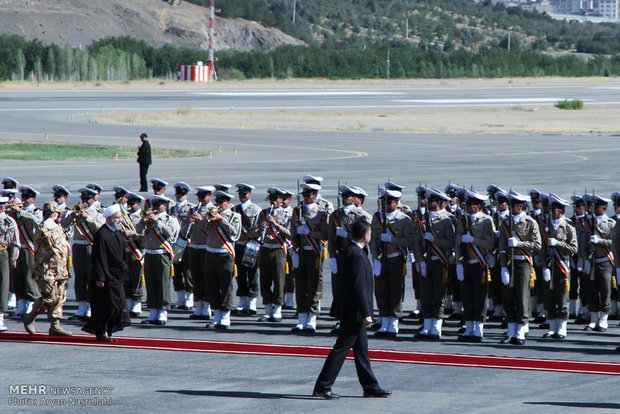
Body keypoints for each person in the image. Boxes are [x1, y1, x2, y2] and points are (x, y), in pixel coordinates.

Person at [313, 220, 391, 400]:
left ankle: (370, 386)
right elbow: (358, 287)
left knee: (362, 351)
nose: (370, 236)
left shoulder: (350, 251)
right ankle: (323, 386)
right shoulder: (356, 254)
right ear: (366, 236)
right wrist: (366, 313)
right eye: (370, 233)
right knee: (341, 349)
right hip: (354, 311)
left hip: (351, 309)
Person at [82, 205, 131, 342]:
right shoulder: (102, 234)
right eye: (117, 218)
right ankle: (101, 331)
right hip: (107, 276)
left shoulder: (116, 232)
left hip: (117, 276)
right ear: (108, 219)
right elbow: (99, 257)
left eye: (120, 217)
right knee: (108, 305)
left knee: (118, 304)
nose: (120, 220)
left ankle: (109, 330)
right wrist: (100, 277)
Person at [498, 190, 541, 345]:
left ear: (521, 206)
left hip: (523, 262)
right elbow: (502, 246)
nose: (511, 207)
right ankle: (511, 330)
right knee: (508, 297)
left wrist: (519, 244)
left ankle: (521, 330)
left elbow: (537, 245)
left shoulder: (530, 222)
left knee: (522, 296)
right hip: (510, 263)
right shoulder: (506, 223)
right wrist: (503, 267)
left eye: (514, 205)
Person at [328, 185, 372, 334]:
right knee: (340, 289)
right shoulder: (335, 215)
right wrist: (332, 257)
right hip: (341, 256)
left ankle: (356, 316)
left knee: (355, 288)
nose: (344, 199)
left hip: (355, 257)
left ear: (354, 199)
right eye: (343, 196)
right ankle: (341, 319)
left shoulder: (362, 215)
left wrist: (346, 235)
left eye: (347, 196)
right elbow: (331, 238)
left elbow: (364, 238)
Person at [22, 201, 71, 336]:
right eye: (56, 213)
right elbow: (43, 245)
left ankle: (55, 325)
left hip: (61, 268)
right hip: (47, 269)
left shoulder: (58, 226)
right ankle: (30, 317)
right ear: (52, 213)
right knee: (49, 297)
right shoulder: (43, 227)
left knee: (60, 297)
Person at [371, 188, 414, 338]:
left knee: (395, 290)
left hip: (396, 258)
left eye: (388, 202)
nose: (385, 204)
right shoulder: (377, 217)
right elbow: (373, 239)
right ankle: (384, 321)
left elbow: (409, 241)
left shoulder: (404, 220)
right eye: (383, 201)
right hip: (382, 259)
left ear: (396, 203)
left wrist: (392, 240)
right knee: (381, 290)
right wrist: (375, 258)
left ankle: (394, 322)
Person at [455, 190, 495, 342]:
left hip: (480, 264)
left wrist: (473, 240)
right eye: (466, 204)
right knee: (467, 296)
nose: (467, 207)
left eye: (470, 204)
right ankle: (468, 326)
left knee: (479, 297)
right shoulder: (463, 220)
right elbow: (458, 242)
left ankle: (478, 328)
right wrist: (458, 262)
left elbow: (489, 243)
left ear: (478, 206)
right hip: (466, 263)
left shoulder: (487, 220)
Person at [134, 195, 179, 325]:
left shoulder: (170, 219)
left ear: (165, 206)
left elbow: (170, 233)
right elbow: (138, 231)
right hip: (149, 253)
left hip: (162, 254)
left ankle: (163, 313)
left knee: (163, 283)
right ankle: (153, 312)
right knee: (151, 283)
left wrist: (157, 221)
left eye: (158, 205)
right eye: (153, 205)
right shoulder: (147, 218)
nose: (154, 208)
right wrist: (143, 221)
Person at [61, 187, 105, 321]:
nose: (84, 201)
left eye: (87, 199)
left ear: (94, 198)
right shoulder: (77, 210)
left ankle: (92, 307)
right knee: (80, 277)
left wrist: (88, 218)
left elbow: (101, 228)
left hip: (91, 245)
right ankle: (82, 307)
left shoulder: (99, 211)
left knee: (91, 277)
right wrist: (72, 215)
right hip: (78, 246)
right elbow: (63, 225)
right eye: (83, 198)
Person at [291, 182, 329, 333]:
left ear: (315, 196)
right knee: (300, 285)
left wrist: (308, 232)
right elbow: (293, 231)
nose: (306, 198)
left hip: (314, 252)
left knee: (314, 285)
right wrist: (294, 247)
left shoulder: (321, 213)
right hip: (300, 252)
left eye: (309, 195)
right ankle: (301, 318)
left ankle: (312, 318)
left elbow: (324, 234)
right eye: (304, 195)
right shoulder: (297, 211)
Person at [540, 194, 578, 339]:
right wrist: (544, 267)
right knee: (550, 296)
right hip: (550, 266)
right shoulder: (545, 227)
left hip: (562, 266)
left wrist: (558, 243)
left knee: (562, 297)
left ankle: (562, 326)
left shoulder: (568, 227)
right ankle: (552, 325)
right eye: (550, 210)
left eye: (554, 210)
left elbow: (573, 248)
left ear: (561, 212)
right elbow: (542, 249)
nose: (551, 213)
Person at [204, 190, 241, 329]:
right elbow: (200, 228)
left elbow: (235, 233)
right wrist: (205, 218)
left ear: (228, 203)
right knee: (212, 285)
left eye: (222, 202)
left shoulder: (234, 215)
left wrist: (221, 220)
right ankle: (216, 315)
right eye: (217, 202)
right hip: (210, 252)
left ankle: (225, 315)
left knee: (225, 285)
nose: (219, 204)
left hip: (225, 254)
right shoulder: (210, 214)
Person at [256, 187, 292, 322]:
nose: (273, 201)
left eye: (275, 199)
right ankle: (267, 309)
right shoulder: (263, 213)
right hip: (265, 248)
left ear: (281, 200)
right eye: (271, 199)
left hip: (278, 249)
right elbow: (255, 232)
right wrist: (260, 229)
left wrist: (275, 224)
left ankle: (277, 309)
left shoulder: (288, 214)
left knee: (279, 279)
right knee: (265, 280)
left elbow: (290, 234)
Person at [583, 194, 615, 332]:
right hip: (592, 261)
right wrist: (585, 259)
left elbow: (614, 243)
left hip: (604, 261)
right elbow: (583, 243)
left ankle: (603, 319)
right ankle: (593, 318)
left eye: (599, 207)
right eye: (594, 207)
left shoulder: (610, 224)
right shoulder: (589, 223)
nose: (595, 209)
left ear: (605, 208)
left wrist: (599, 241)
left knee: (605, 290)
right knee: (591, 289)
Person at [9, 185, 42, 317]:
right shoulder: (16, 212)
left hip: (29, 248)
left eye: (27, 197)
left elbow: (38, 222)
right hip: (18, 247)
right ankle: (21, 304)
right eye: (23, 197)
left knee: (29, 277)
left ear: (33, 199)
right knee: (17, 277)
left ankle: (31, 304)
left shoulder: (36, 211)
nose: (24, 200)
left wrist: (21, 212)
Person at [232, 183, 262, 315]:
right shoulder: (234, 209)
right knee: (240, 273)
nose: (242, 196)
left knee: (252, 273)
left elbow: (259, 228)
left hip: (251, 245)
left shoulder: (256, 209)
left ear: (250, 194)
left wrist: (253, 234)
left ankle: (252, 302)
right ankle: (242, 301)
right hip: (238, 244)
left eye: (244, 194)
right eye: (240, 194)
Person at [170, 182, 196, 310]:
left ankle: (189, 299)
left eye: (182, 194)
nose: (179, 196)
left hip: (187, 243)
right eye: (178, 193)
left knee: (188, 271)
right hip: (175, 244)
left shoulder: (192, 208)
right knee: (177, 271)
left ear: (186, 195)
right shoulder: (170, 209)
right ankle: (180, 299)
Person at [0, 196, 20, 331]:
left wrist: (13, 259)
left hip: (2, 253)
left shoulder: (8, 221)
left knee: (2, 284)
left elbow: (14, 242)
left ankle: (0, 316)